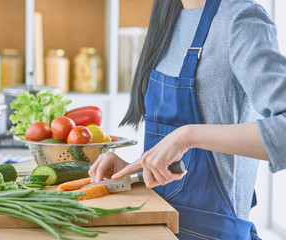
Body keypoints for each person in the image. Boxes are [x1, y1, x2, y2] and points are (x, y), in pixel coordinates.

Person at [88, 0, 286, 239]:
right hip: (158, 224)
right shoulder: (169, 19)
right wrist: (134, 174)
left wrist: (187, 136)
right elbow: (178, 166)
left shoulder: (241, 19)